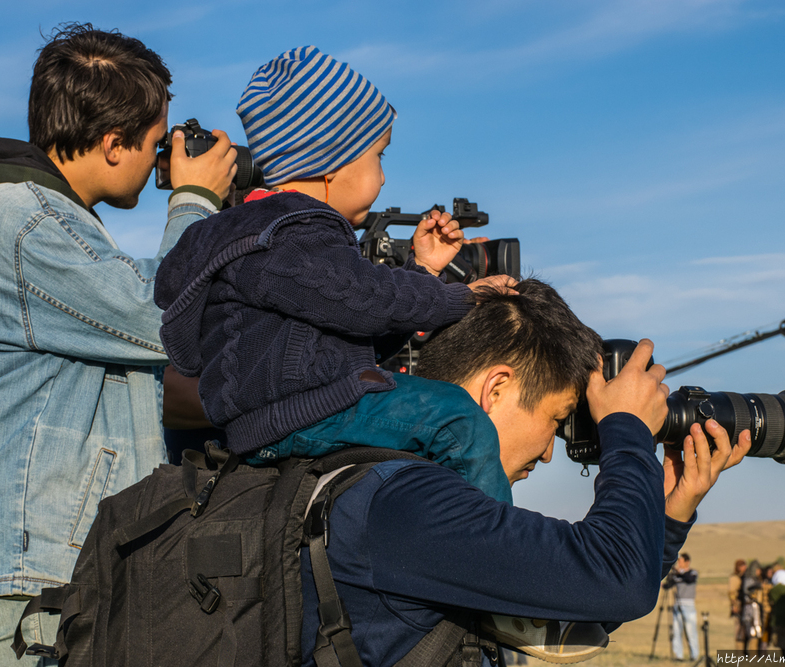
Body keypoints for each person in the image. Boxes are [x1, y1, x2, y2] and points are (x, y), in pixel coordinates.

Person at [0, 23, 237, 666]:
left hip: (39, 584)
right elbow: (162, 313)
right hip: (17, 593)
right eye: (152, 144)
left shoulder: (55, 227)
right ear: (114, 144)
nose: (160, 163)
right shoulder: (18, 216)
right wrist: (196, 200)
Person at [268, 279, 751, 665]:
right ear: (495, 389)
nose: (547, 454)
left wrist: (666, 516)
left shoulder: (405, 497)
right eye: (555, 419)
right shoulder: (403, 504)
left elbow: (576, 620)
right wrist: (626, 431)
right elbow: (613, 580)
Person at [154, 45, 515, 505]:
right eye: (378, 156)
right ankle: (497, 555)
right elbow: (371, 300)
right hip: (305, 416)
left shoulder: (262, 232)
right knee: (459, 421)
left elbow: (353, 327)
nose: (383, 178)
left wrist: (422, 269)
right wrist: (462, 298)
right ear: (330, 160)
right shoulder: (296, 229)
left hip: (273, 420)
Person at [664, 553, 701, 661]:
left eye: (680, 561)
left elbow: (689, 579)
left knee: (690, 631)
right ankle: (678, 655)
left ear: (687, 562)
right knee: (676, 631)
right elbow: (668, 585)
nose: (679, 563)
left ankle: (694, 655)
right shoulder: (677, 575)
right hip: (677, 604)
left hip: (688, 605)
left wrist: (679, 572)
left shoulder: (692, 572)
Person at [768, 568, 785, 657]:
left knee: (781, 637)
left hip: (777, 617)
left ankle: (784, 655)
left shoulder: (773, 590)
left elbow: (771, 601)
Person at [729, 559, 747, 651]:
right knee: (739, 630)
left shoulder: (745, 577)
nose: (745, 567)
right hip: (738, 605)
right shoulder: (734, 578)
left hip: (746, 606)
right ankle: (739, 651)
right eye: (742, 565)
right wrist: (734, 606)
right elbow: (732, 593)